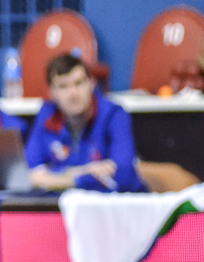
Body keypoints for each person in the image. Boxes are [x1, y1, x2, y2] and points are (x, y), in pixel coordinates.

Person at [24, 53, 147, 193]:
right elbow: (28, 174)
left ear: (91, 83)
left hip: (120, 203)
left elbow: (123, 175)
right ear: (51, 92)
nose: (73, 94)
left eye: (79, 83)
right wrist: (83, 171)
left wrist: (53, 178)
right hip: (65, 203)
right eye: (63, 87)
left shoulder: (113, 114)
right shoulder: (46, 115)